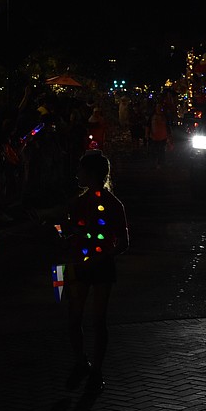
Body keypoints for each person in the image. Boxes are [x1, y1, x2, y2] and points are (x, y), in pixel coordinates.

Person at [61, 150, 129, 394]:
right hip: (78, 263)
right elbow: (66, 231)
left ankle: (94, 369)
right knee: (76, 317)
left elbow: (123, 241)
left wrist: (102, 253)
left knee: (94, 319)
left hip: (93, 264)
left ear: (90, 174)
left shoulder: (111, 204)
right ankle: (84, 364)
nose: (77, 174)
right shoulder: (79, 202)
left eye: (80, 170)